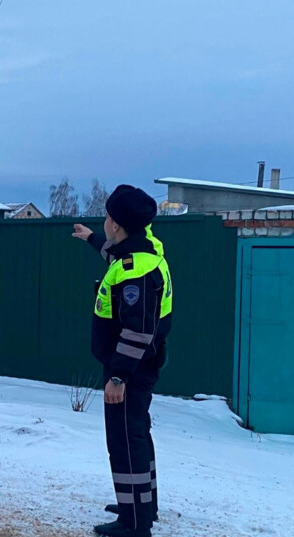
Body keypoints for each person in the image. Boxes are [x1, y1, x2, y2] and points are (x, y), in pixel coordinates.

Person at [72, 185, 172, 537]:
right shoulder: (144, 247)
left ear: (117, 224)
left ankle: (135, 522)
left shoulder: (137, 273)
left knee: (125, 439)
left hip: (129, 368)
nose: (104, 223)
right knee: (137, 432)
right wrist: (90, 238)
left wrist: (117, 377)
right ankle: (142, 503)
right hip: (137, 365)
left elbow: (138, 332)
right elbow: (115, 253)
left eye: (107, 219)